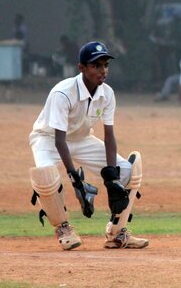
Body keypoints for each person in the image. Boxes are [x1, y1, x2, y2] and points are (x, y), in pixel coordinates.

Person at [28, 41, 148, 251]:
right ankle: (63, 229)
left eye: (105, 65)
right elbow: (59, 140)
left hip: (83, 139)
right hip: (48, 139)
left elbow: (109, 136)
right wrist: (75, 179)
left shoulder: (107, 93)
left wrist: (111, 177)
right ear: (81, 68)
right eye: (96, 66)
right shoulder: (63, 93)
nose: (102, 71)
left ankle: (117, 233)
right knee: (45, 176)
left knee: (129, 171)